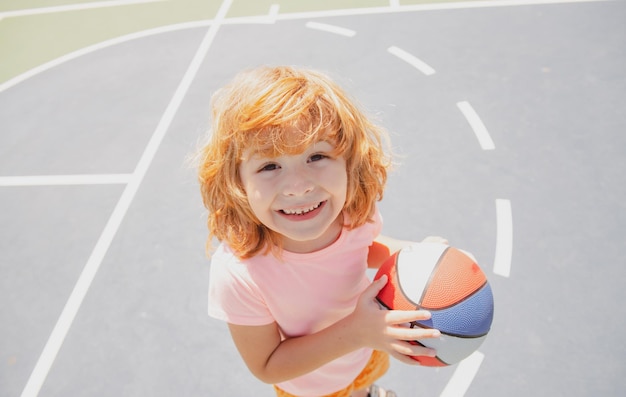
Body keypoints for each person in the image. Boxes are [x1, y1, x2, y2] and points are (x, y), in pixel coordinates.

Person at [197, 65, 443, 397]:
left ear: (349, 160)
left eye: (316, 156)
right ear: (236, 183)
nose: (298, 187)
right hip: (312, 387)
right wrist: (358, 331)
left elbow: (359, 249)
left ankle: (364, 391)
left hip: (363, 353)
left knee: (361, 384)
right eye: (270, 166)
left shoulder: (352, 214)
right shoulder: (241, 274)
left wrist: (418, 257)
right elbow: (266, 366)